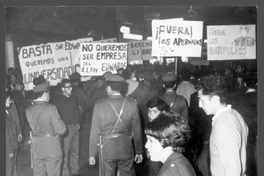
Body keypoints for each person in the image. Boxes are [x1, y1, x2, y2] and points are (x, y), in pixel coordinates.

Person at [89, 73, 143, 176]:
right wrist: (139, 151)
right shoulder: (132, 104)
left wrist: (92, 154)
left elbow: (94, 132)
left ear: (108, 87)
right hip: (126, 147)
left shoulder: (100, 105)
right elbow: (137, 131)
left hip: (107, 149)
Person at [197, 74, 248, 176]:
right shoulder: (234, 114)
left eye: (202, 100)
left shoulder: (223, 124)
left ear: (215, 99)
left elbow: (232, 170)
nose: (199, 105)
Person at [25, 80, 66, 176]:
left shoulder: (28, 110)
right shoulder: (51, 108)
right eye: (48, 93)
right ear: (45, 94)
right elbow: (62, 130)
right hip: (52, 146)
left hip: (37, 147)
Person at [144, 112, 196, 176]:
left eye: (151, 140)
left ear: (167, 141)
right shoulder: (179, 161)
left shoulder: (170, 172)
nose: (146, 145)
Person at [53, 79, 81, 176]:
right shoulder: (59, 101)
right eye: (68, 87)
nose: (70, 89)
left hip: (74, 127)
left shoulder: (74, 98)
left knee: (75, 151)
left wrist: (78, 122)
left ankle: (75, 171)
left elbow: (77, 110)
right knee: (65, 153)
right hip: (65, 129)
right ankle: (65, 173)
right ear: (62, 89)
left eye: (71, 86)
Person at [145, 97, 170, 176]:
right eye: (149, 111)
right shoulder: (150, 126)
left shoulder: (168, 128)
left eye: (154, 112)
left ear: (163, 112)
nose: (150, 114)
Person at [6, 91, 19, 176]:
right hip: (7, 149)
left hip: (8, 147)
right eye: (9, 100)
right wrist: (10, 150)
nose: (10, 101)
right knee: (8, 170)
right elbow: (5, 135)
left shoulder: (6, 112)